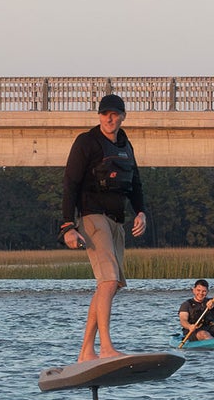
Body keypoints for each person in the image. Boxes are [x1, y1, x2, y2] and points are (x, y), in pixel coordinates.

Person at [60, 93, 148, 360]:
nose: (110, 118)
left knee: (110, 285)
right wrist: (67, 226)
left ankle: (86, 351)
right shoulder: (86, 142)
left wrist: (141, 212)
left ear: (123, 116)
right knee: (108, 281)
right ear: (99, 116)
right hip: (91, 216)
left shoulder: (125, 145)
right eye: (105, 114)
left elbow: (135, 183)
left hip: (116, 220)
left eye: (115, 114)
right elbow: (70, 183)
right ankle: (107, 348)